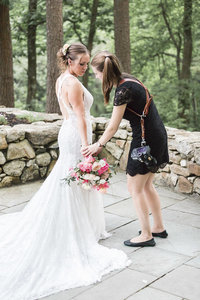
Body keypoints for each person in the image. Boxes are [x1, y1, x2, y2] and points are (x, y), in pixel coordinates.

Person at [0, 44, 130, 300]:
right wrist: (86, 145)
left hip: (68, 132)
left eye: (85, 63)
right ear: (69, 61)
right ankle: (74, 228)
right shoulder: (71, 82)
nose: (84, 67)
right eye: (81, 63)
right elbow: (79, 116)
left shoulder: (63, 79)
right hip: (76, 136)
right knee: (74, 178)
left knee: (69, 179)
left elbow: (66, 115)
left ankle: (81, 224)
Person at [82, 51, 169, 248]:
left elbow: (113, 126)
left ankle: (146, 235)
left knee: (134, 187)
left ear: (104, 72)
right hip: (156, 135)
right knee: (146, 185)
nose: (96, 77)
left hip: (145, 141)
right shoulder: (129, 79)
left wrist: (98, 145)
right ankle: (158, 227)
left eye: (96, 73)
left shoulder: (122, 91)